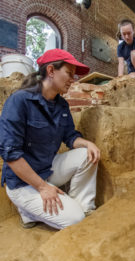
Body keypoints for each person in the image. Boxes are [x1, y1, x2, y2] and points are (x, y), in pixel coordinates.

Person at [0, 49, 101, 230]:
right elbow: (11, 154)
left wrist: (88, 144)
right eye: (69, 73)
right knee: (74, 220)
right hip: (23, 182)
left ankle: (84, 209)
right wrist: (42, 188)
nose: (73, 79)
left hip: (46, 169)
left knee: (87, 155)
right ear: (51, 71)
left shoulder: (61, 104)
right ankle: (29, 211)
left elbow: (70, 137)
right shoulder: (19, 101)